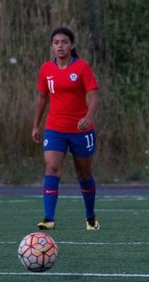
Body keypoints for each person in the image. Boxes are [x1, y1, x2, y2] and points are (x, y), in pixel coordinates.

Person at [32, 27, 101, 231]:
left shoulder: (81, 68)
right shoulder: (46, 69)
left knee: (84, 174)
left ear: (72, 45)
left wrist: (88, 118)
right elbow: (42, 98)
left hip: (81, 130)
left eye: (64, 42)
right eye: (56, 42)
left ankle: (90, 217)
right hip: (55, 128)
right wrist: (36, 125)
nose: (60, 46)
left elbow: (95, 96)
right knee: (52, 167)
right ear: (52, 46)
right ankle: (48, 218)